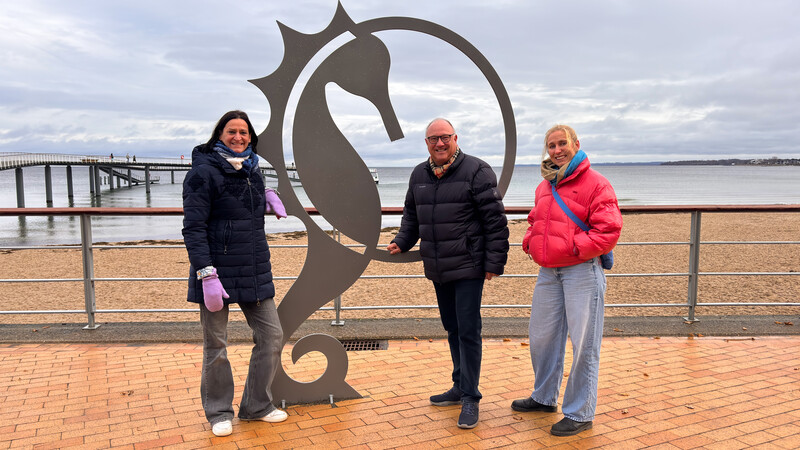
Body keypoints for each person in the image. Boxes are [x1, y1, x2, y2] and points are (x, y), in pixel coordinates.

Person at [387, 118, 509, 429]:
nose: (439, 144)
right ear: (426, 143)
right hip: (438, 268)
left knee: (468, 331)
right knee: (452, 328)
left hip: (468, 266)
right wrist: (402, 241)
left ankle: (470, 397)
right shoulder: (419, 174)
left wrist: (494, 263)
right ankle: (458, 385)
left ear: (455, 138)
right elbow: (411, 216)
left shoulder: (477, 170)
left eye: (444, 138)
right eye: (433, 139)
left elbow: (495, 221)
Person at [182, 110, 288, 437]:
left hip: (254, 269)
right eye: (232, 132)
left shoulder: (253, 169)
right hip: (215, 272)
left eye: (244, 132)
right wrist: (206, 274)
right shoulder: (203, 172)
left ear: (250, 138)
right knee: (216, 346)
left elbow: (246, 211)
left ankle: (256, 406)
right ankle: (218, 412)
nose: (239, 137)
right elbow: (194, 228)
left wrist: (266, 195)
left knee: (271, 336)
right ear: (219, 135)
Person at [513, 125, 622, 436]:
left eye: (562, 144)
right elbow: (536, 219)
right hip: (549, 272)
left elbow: (609, 230)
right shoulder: (545, 185)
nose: (557, 150)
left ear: (576, 144)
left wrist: (576, 249)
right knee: (542, 336)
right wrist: (530, 241)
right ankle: (544, 397)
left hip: (581, 272)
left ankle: (580, 412)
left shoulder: (597, 184)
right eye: (551, 145)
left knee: (584, 343)